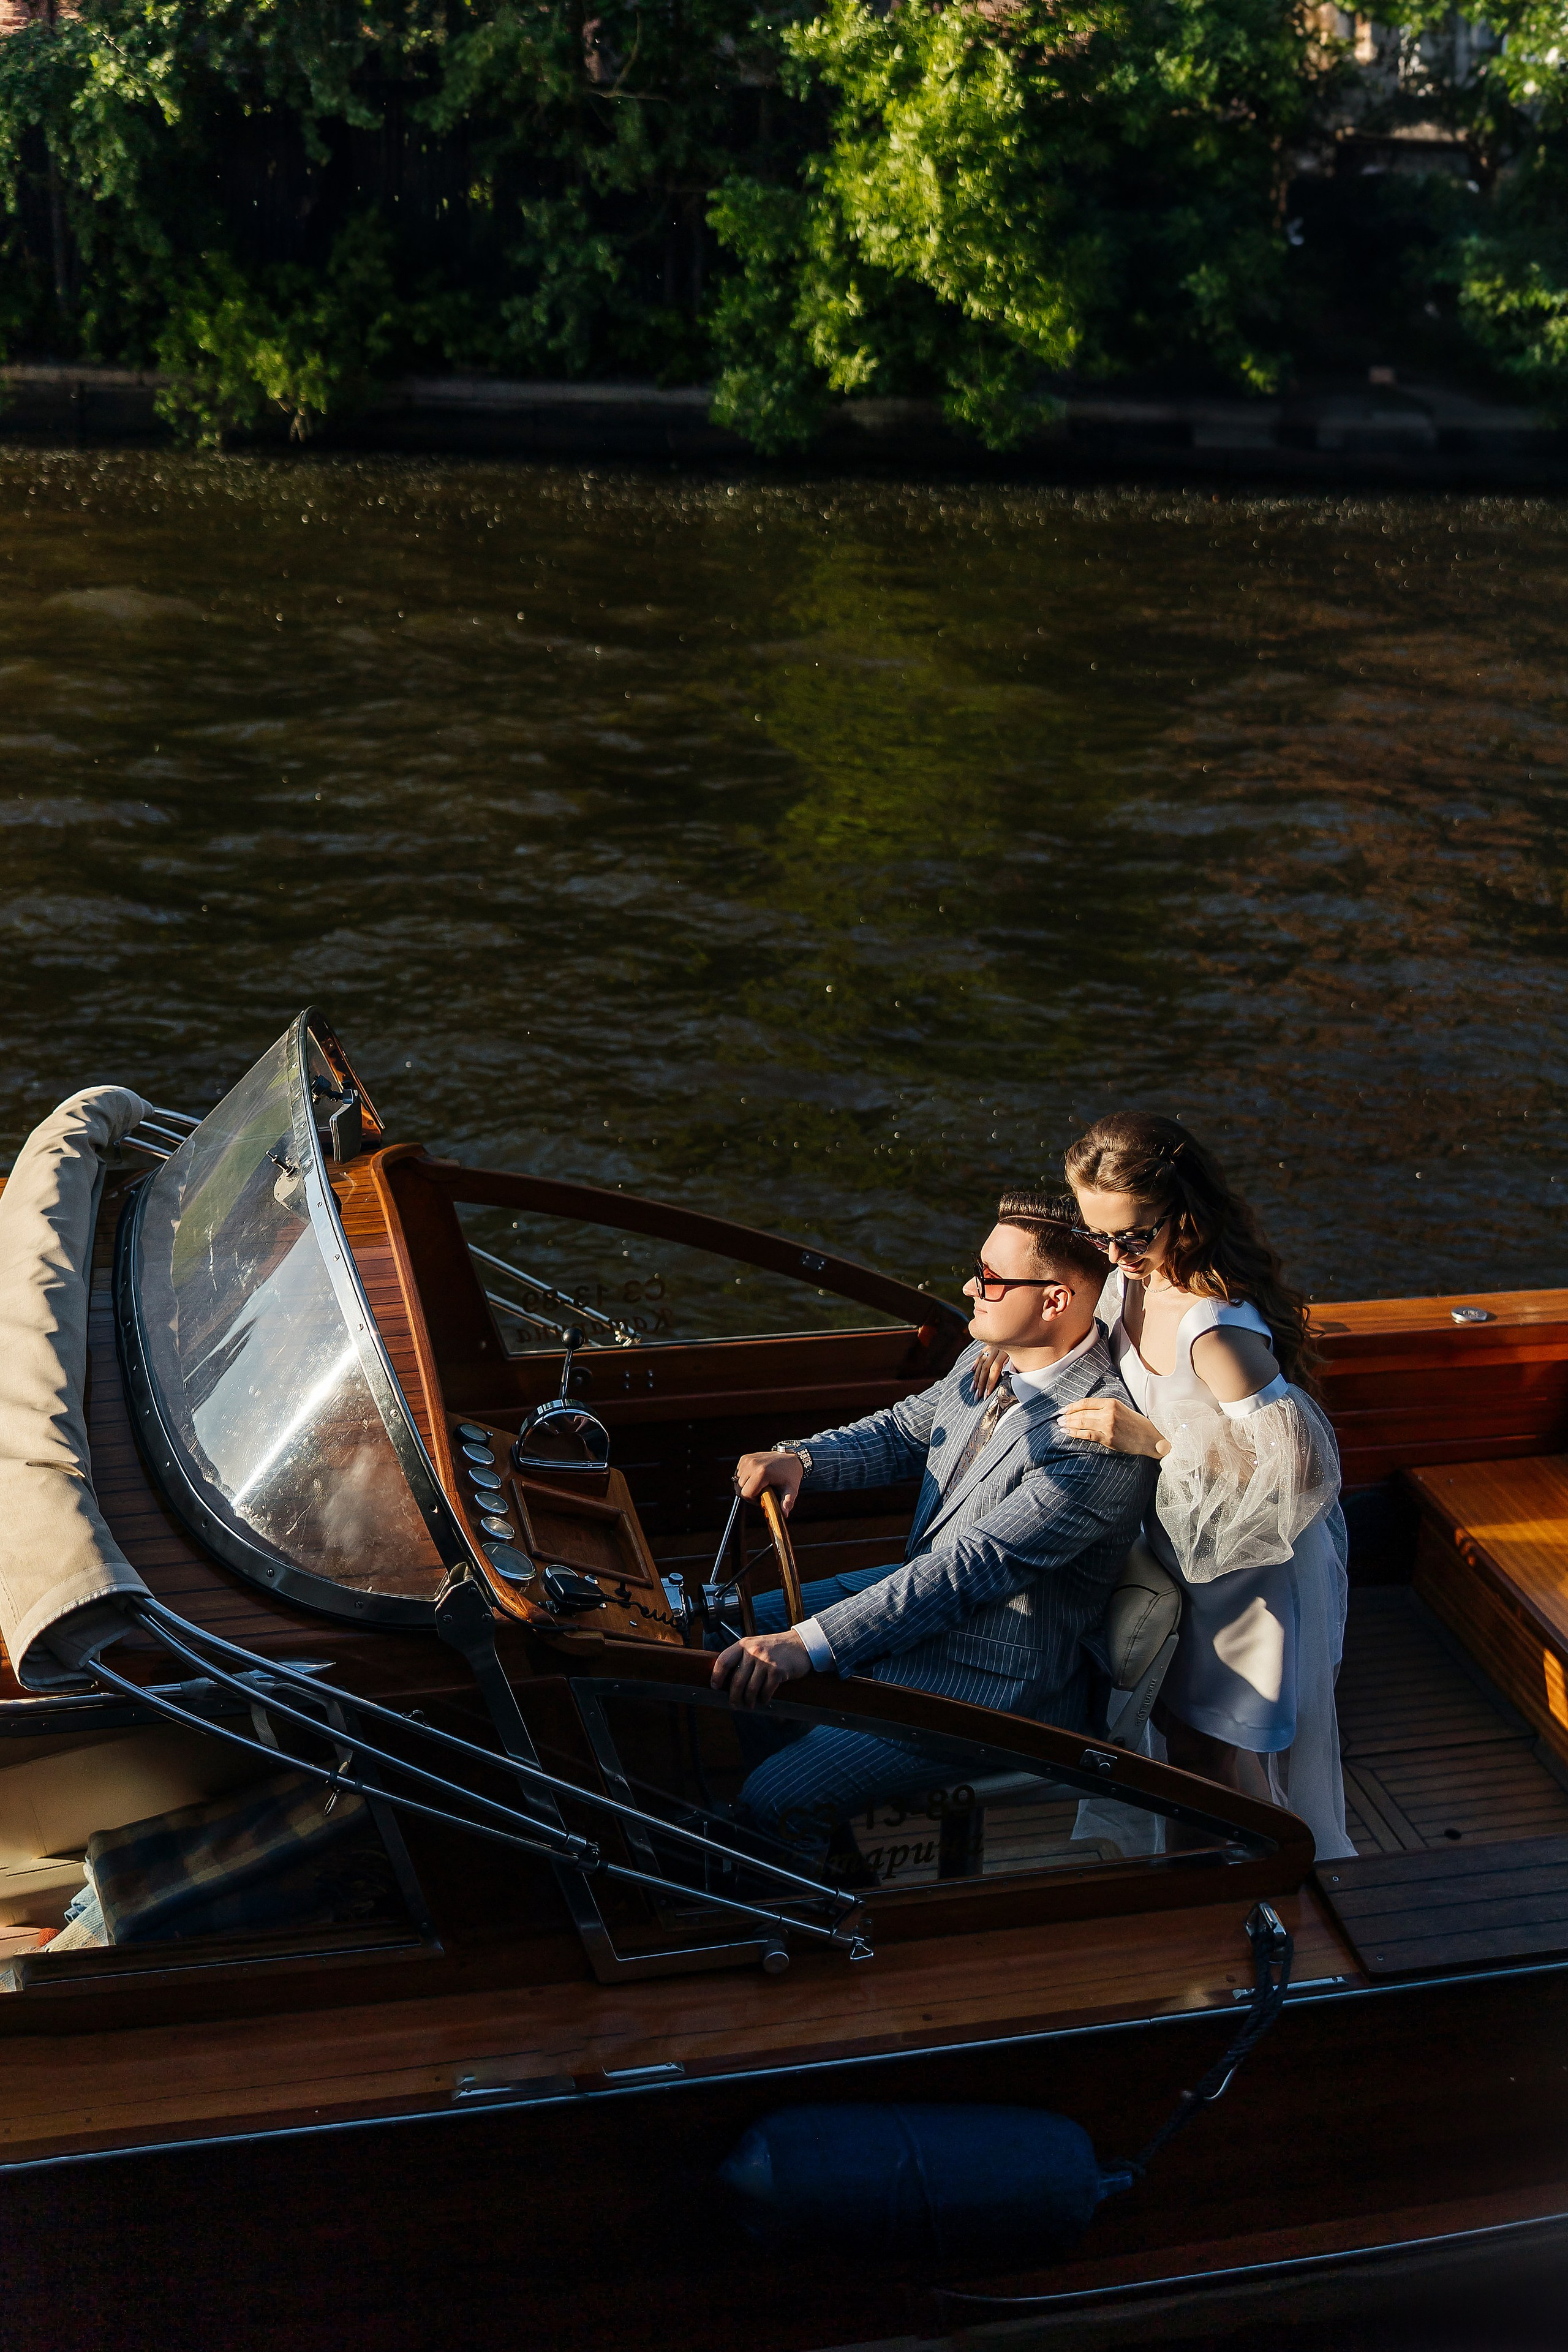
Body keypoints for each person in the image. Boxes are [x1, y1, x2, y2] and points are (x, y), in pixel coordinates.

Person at [709, 1193, 1156, 1845]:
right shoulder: (991, 1354)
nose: (971, 1288)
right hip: (929, 1606)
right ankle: (817, 1826)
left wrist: (802, 1647)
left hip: (991, 1684)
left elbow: (966, 1571)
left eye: (991, 1279)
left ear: (1055, 1301)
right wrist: (803, 1460)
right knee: (724, 1627)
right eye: (977, 1269)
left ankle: (804, 1868)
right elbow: (905, 1431)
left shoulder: (1092, 1445)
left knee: (772, 1797)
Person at [1042, 1112, 1354, 1862]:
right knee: (1183, 1737)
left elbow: (1300, 1469)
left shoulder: (1214, 1329)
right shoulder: (1131, 1280)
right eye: (1096, 1235)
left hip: (1241, 1574)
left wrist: (1152, 1442)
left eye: (1132, 1236)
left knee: (1203, 1753)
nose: (1113, 1257)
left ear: (1183, 1213)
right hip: (1176, 1548)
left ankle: (1247, 1885)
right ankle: (1225, 1881)